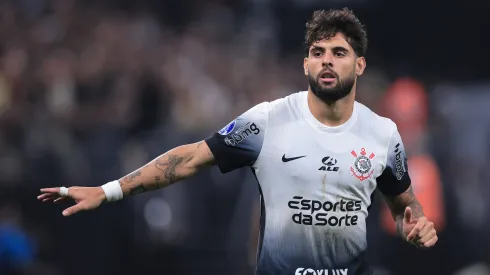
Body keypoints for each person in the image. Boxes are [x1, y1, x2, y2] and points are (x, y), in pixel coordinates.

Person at [37, 8, 438, 275]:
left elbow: (404, 206)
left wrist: (417, 226)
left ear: (360, 64)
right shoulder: (269, 120)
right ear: (306, 64)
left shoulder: (383, 134)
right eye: (318, 52)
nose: (327, 61)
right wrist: (109, 191)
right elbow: (192, 157)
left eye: (339, 52)